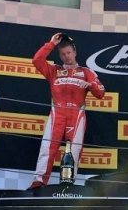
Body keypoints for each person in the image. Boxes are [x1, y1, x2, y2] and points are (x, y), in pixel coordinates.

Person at [28, 33, 105, 189]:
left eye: (69, 52)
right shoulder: (53, 71)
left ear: (75, 53)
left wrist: (91, 85)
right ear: (60, 55)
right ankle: (39, 181)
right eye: (63, 54)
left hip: (77, 116)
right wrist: (51, 44)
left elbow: (101, 93)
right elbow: (37, 60)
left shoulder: (86, 72)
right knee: (47, 148)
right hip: (57, 115)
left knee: (74, 151)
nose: (66, 56)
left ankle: (69, 183)